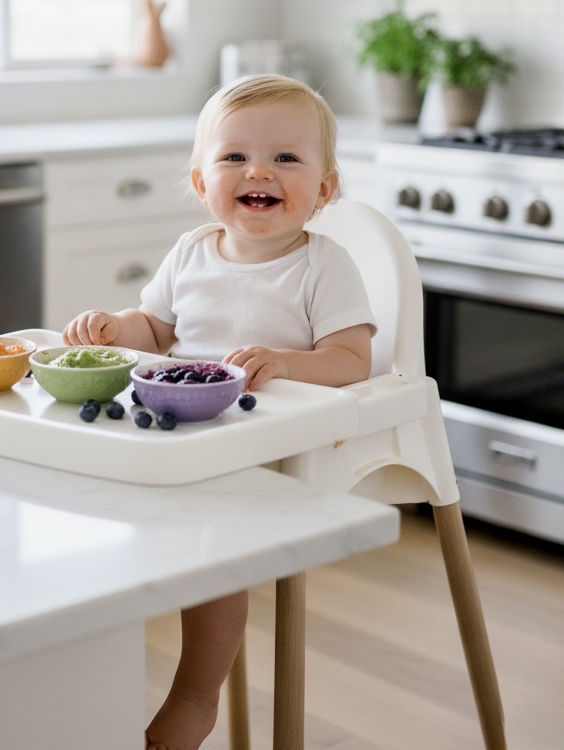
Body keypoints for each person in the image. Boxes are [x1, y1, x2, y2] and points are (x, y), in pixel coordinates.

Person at [62, 73, 376, 750]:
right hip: (185, 428)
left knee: (209, 540)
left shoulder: (325, 266)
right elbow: (155, 328)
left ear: (324, 191)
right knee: (80, 488)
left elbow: (353, 361)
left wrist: (288, 363)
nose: (258, 170)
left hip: (271, 437)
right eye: (234, 157)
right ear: (203, 184)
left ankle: (194, 697)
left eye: (286, 158)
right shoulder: (191, 252)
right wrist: (114, 328)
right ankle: (80, 685)